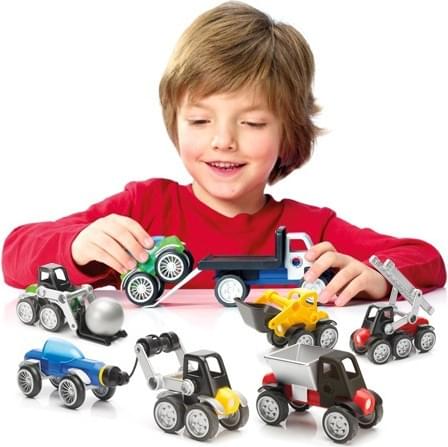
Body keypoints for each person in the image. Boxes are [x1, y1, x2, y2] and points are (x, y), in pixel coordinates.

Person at [2, 2, 445, 306]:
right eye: (200, 121)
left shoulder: (313, 231)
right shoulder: (143, 208)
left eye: (252, 123)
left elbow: (426, 258)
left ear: (288, 133)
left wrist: (379, 278)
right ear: (175, 124)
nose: (223, 140)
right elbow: (14, 252)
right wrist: (77, 247)